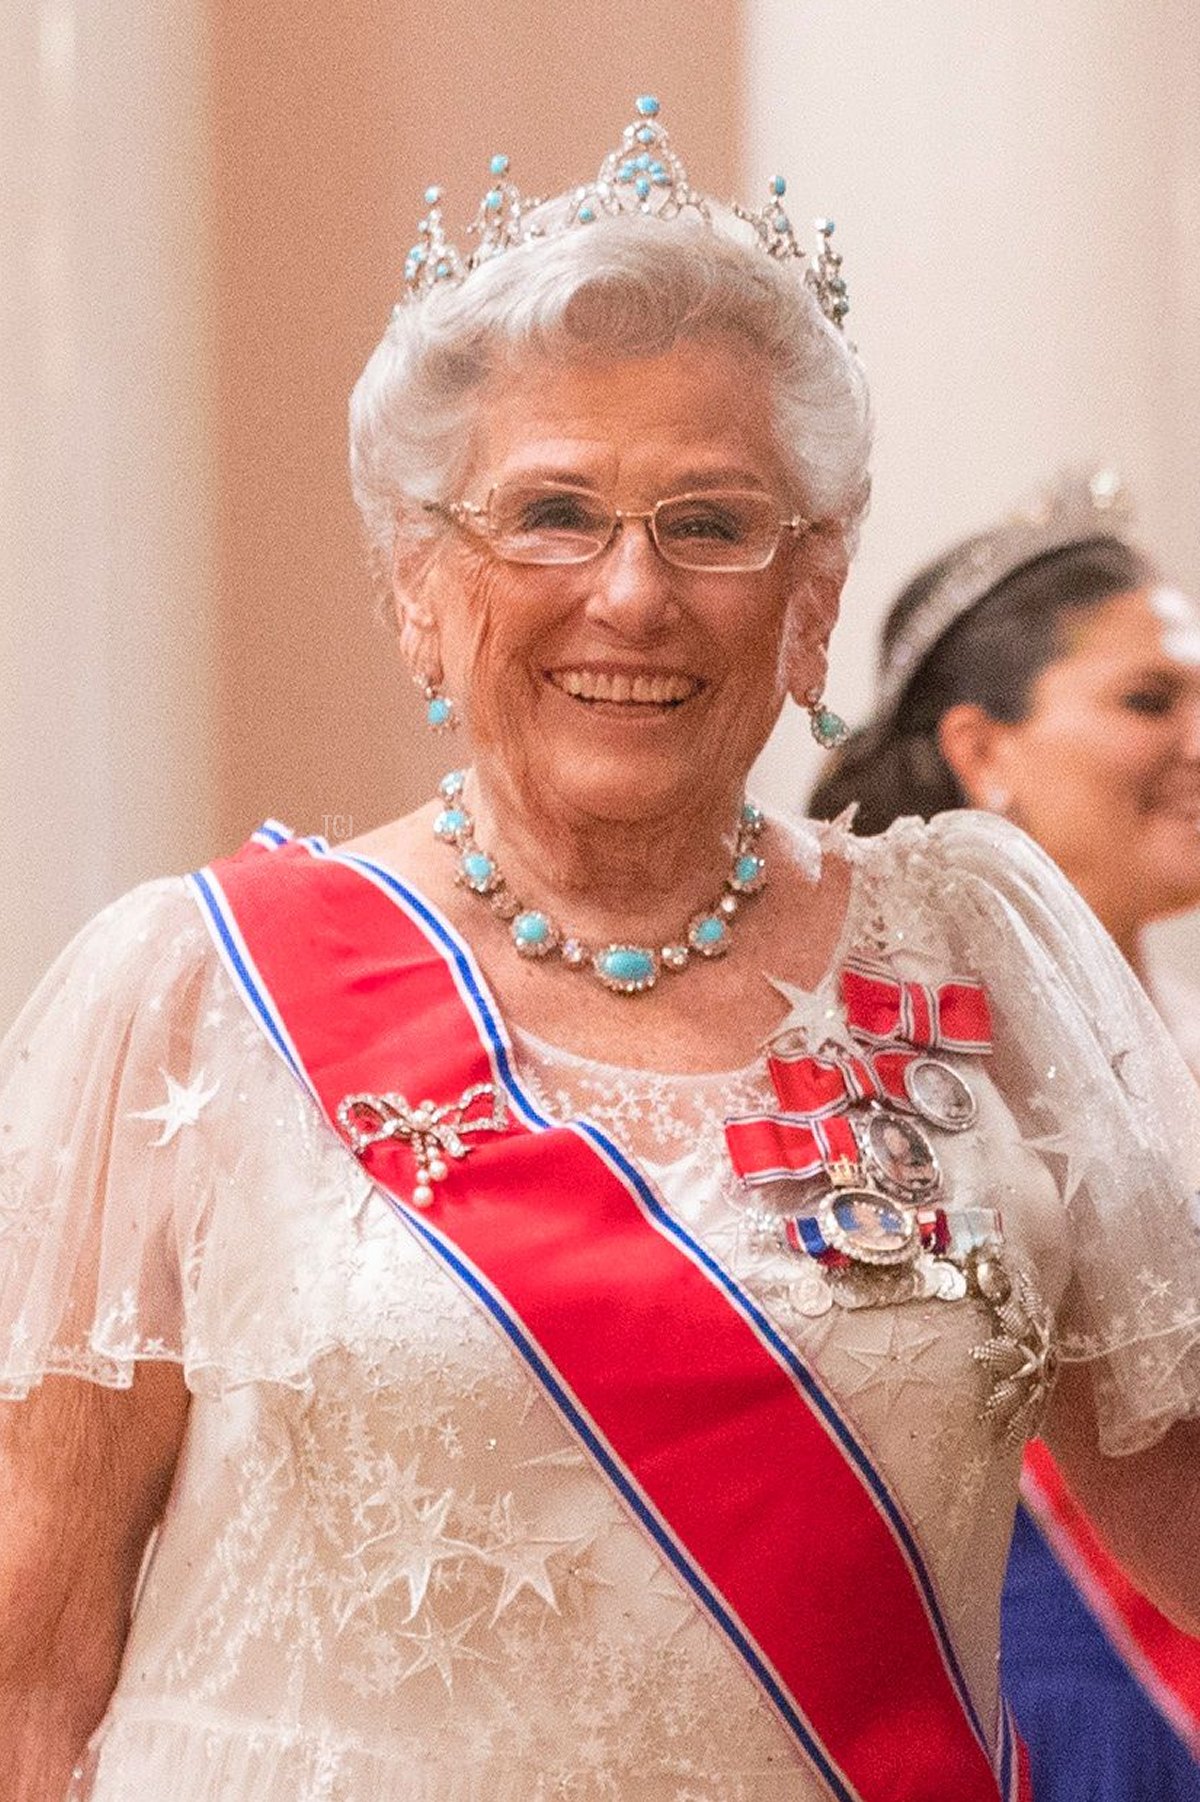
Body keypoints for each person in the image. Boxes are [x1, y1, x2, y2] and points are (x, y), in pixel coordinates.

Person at [2, 101, 1199, 1802]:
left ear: (811, 595)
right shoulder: (194, 1001)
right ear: (419, 582)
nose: (630, 595)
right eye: (550, 515)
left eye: (711, 523)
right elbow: (29, 1665)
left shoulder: (984, 969)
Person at [808, 472, 1200, 1798]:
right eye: (1152, 701)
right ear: (986, 749)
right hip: (1044, 1711)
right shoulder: (901, 1065)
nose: (1199, 736)